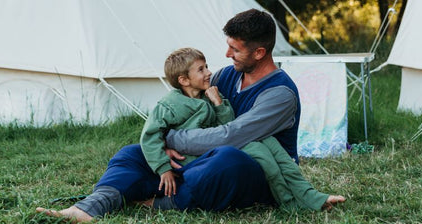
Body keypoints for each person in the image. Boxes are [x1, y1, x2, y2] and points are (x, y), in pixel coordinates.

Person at [36, 8, 345, 223]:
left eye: (234, 49)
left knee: (226, 160)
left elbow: (232, 136)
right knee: (133, 153)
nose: (226, 56)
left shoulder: (279, 94)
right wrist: (160, 144)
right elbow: (185, 115)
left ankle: (162, 201)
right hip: (206, 155)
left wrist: (173, 140)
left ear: (259, 53)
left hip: (258, 172)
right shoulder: (225, 76)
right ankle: (91, 206)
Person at [142, 47, 341, 211]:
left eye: (207, 67)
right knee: (264, 156)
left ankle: (310, 195)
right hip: (194, 157)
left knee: (270, 143)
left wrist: (219, 103)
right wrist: (163, 167)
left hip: (215, 146)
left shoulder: (208, 96)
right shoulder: (170, 104)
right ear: (184, 80)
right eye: (201, 70)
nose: (209, 72)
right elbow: (150, 134)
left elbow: (227, 123)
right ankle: (289, 202)